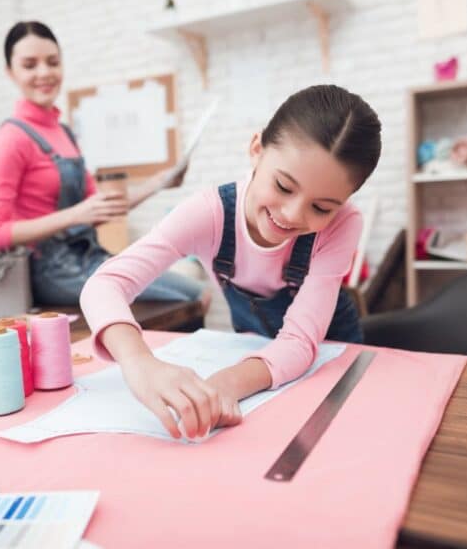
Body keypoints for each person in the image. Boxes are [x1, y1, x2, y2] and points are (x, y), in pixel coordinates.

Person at [80, 84, 382, 440]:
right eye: (284, 186)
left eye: (321, 208)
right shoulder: (209, 214)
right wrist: (139, 362)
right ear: (257, 149)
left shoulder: (344, 225)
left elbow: (301, 341)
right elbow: (105, 284)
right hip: (257, 361)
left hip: (329, 358)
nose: (291, 215)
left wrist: (226, 383)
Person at [0, 21, 206, 307]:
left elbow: (99, 207)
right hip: (50, 273)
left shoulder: (63, 133)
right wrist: (74, 215)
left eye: (52, 62)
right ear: (10, 73)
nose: (44, 73)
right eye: (29, 65)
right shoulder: (11, 138)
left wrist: (160, 182)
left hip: (87, 257)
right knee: (186, 300)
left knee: (196, 292)